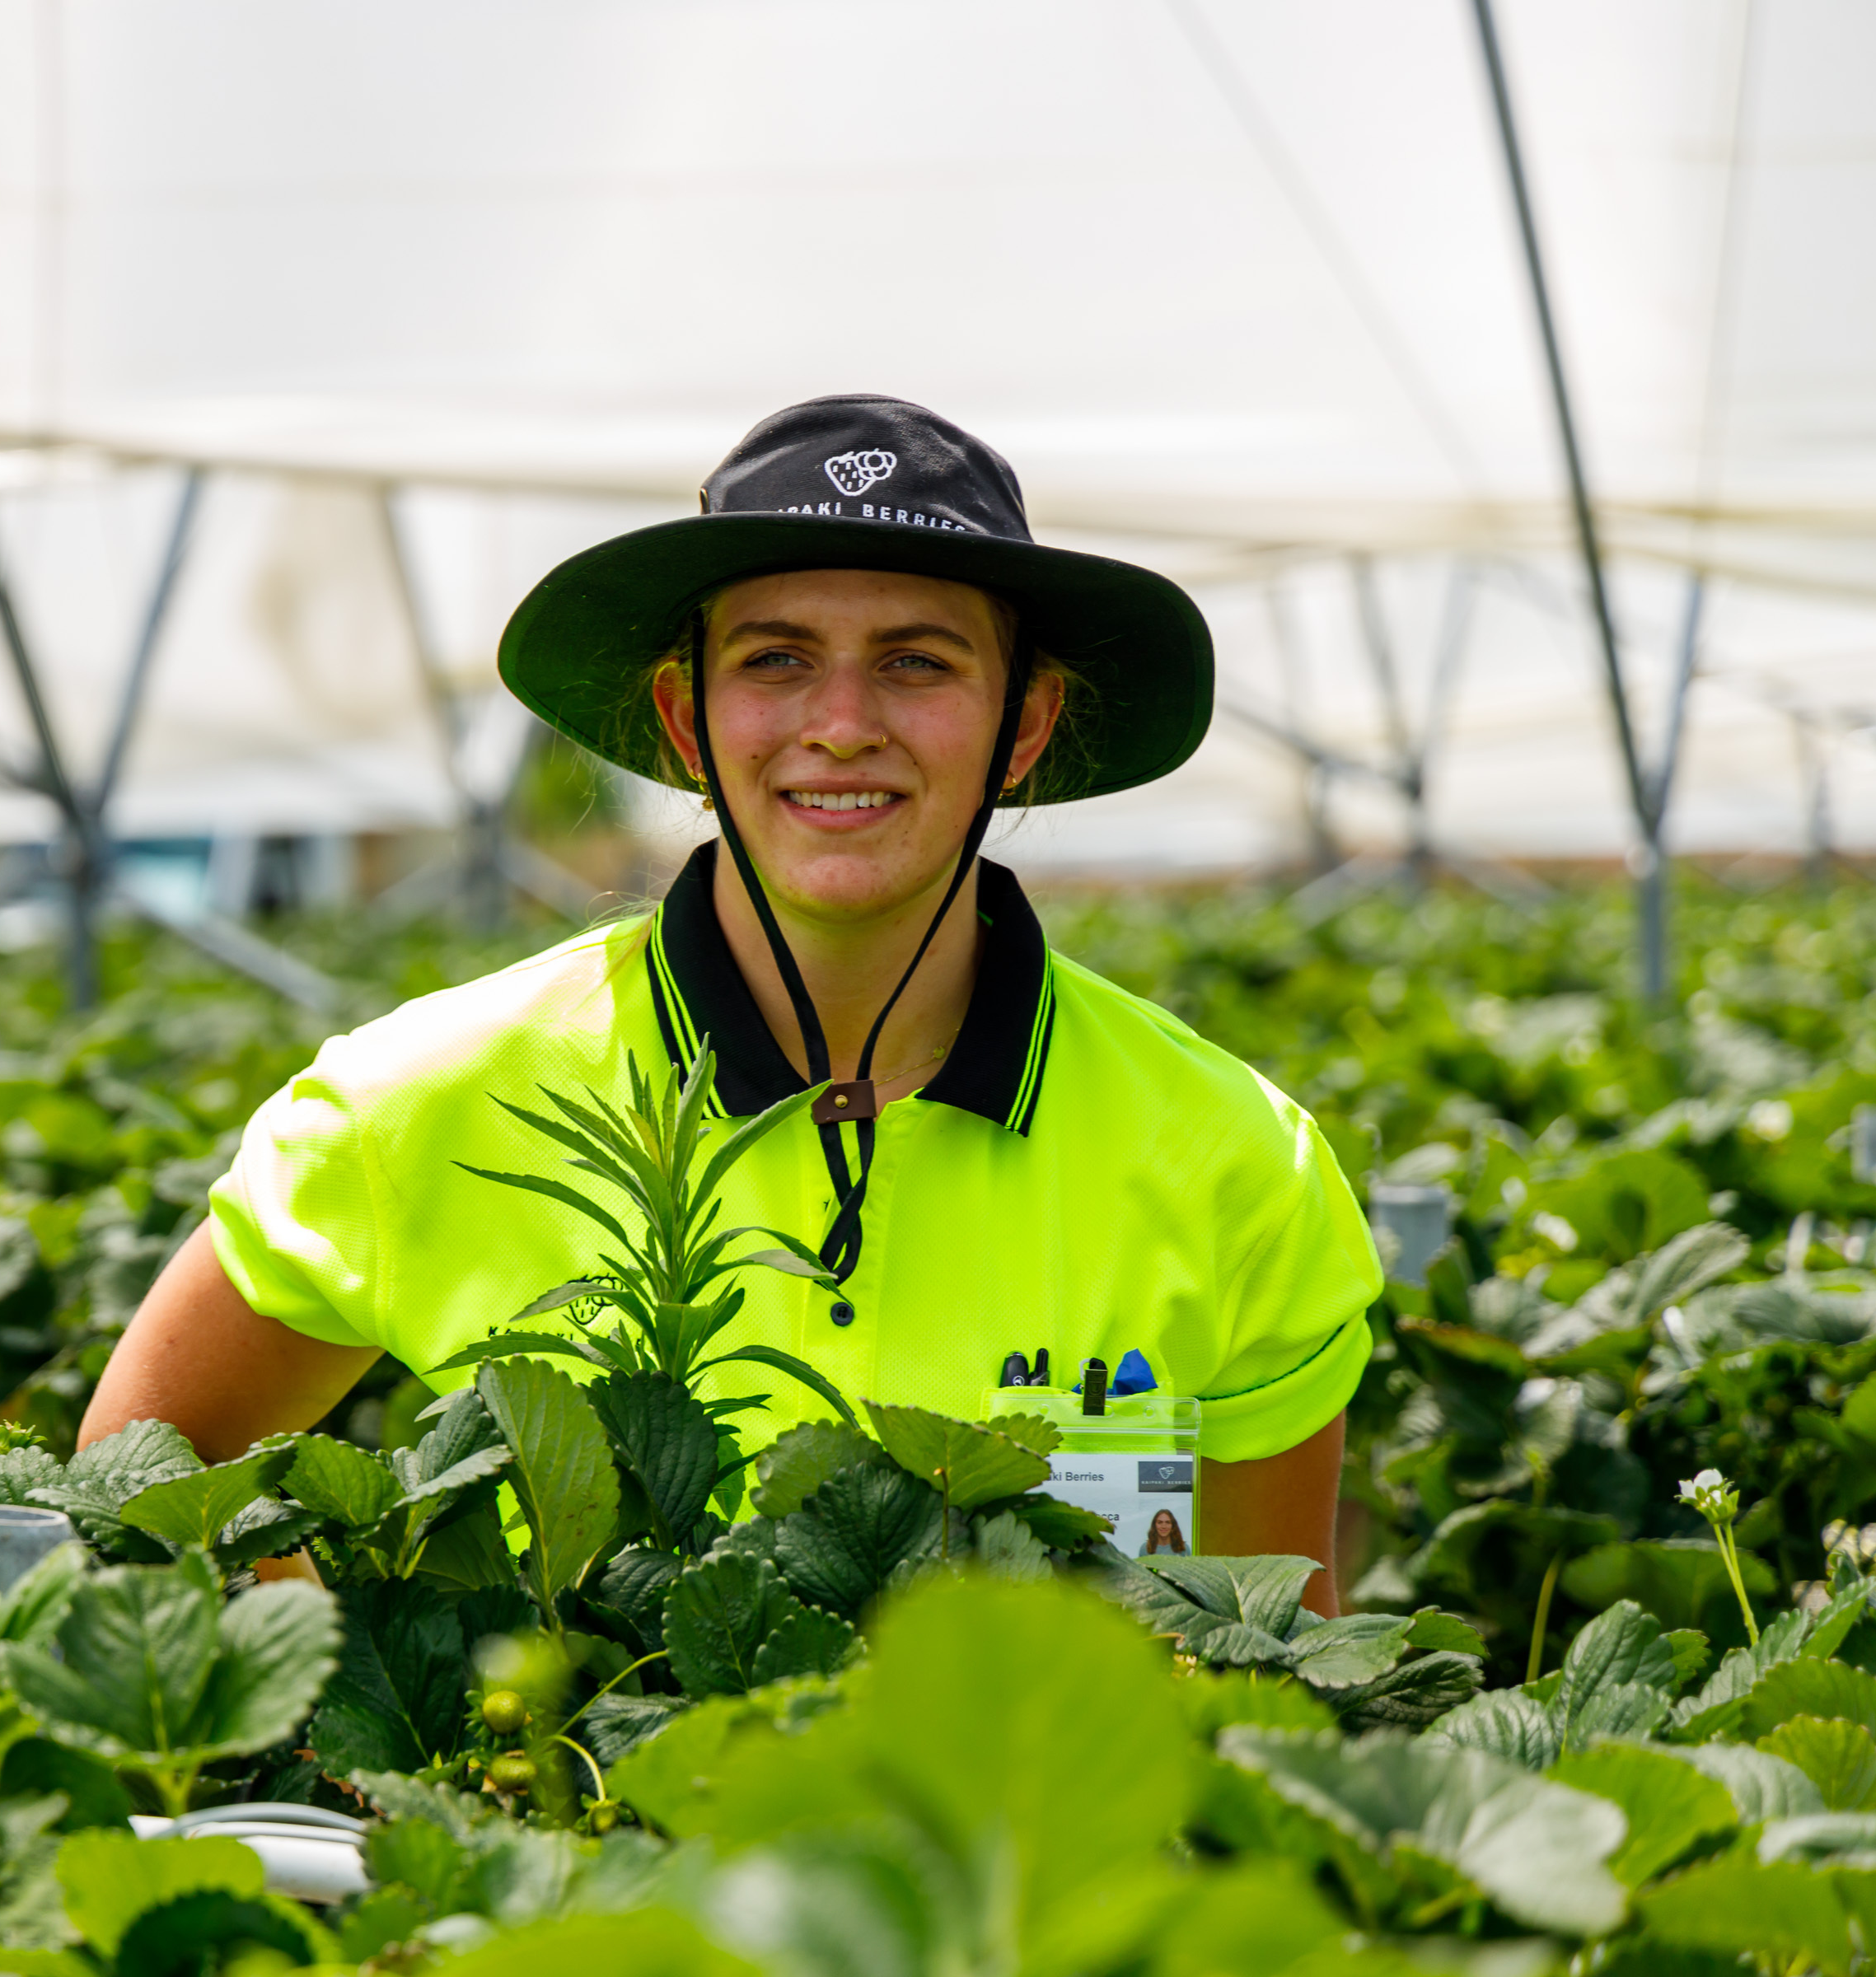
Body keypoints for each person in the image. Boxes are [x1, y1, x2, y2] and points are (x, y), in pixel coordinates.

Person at [81, 397, 1378, 1614]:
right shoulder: (416, 1102)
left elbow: (1269, 1648)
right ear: (687, 721)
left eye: (919, 663)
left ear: (1023, 727)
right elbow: (145, 1473)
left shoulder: (1236, 1164)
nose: (843, 722)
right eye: (777, 659)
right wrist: (360, 1712)